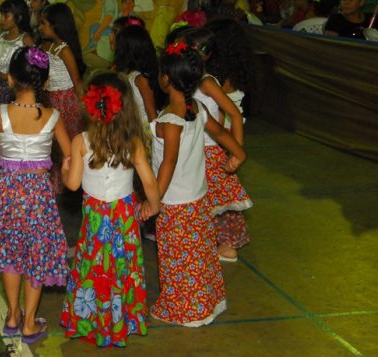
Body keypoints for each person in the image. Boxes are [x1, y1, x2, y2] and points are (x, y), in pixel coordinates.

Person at [0, 47, 71, 345]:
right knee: (35, 258)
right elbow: (69, 157)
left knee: (10, 254)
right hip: (38, 198)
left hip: (6, 196)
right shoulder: (52, 117)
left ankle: (13, 315)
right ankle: (29, 322)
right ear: (44, 80)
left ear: (12, 79)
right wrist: (69, 178)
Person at [146, 41, 246, 326]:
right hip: (198, 199)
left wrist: (154, 199)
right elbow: (221, 132)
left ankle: (187, 311)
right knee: (199, 253)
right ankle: (207, 302)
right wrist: (239, 153)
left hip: (175, 202)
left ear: (165, 79)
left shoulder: (170, 120)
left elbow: (169, 162)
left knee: (178, 257)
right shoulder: (198, 108)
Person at [60, 72, 161, 348]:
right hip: (124, 216)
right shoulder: (133, 141)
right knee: (121, 267)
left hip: (94, 216)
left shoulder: (81, 141)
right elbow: (149, 181)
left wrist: (66, 168)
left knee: (93, 267)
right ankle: (120, 320)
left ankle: (91, 319)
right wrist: (153, 206)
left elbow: (72, 185)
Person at [186, 23, 254, 262]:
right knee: (212, 200)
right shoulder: (192, 80)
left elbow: (233, 113)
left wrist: (236, 151)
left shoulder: (206, 83)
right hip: (197, 148)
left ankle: (226, 245)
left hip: (208, 150)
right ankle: (215, 243)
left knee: (219, 201)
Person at [39, 3, 85, 190]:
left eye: (44, 24)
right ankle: (56, 181)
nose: (40, 27)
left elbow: (76, 81)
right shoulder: (47, 47)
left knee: (67, 143)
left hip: (66, 102)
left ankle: (71, 179)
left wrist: (84, 106)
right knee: (53, 144)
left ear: (56, 25)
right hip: (51, 99)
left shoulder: (64, 50)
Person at [113, 23, 159, 155]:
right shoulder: (126, 75)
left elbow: (151, 113)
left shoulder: (140, 79)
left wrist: (157, 138)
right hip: (131, 127)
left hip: (145, 130)